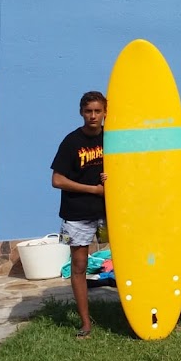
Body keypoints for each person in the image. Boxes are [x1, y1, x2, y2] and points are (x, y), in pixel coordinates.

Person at [50, 91, 107, 339]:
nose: (93, 116)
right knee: (79, 266)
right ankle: (85, 323)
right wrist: (93, 189)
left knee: (127, 261)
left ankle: (133, 311)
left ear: (106, 112)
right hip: (77, 214)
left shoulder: (113, 139)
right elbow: (57, 180)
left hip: (109, 213)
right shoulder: (71, 141)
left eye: (97, 111)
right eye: (88, 111)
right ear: (81, 112)